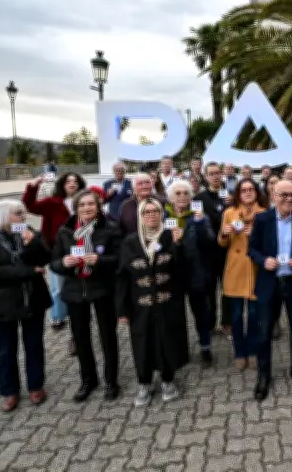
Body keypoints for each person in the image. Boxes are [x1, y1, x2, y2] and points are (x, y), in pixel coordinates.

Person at [0, 200, 51, 412]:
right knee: (6, 349)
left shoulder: (27, 233)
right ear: (4, 217)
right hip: (2, 304)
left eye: (23, 213)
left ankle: (36, 385)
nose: (23, 217)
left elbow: (45, 258)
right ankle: (10, 391)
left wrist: (33, 243)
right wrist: (27, 271)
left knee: (34, 344)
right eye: (18, 213)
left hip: (32, 299)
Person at [116, 198, 190, 406]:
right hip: (140, 304)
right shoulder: (130, 241)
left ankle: (167, 379)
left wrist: (178, 245)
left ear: (161, 214)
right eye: (146, 212)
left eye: (155, 211)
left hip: (167, 302)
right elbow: (122, 277)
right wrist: (122, 309)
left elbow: (182, 269)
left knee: (166, 339)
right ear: (140, 216)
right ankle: (144, 382)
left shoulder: (169, 237)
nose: (151, 215)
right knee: (142, 341)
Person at [50, 189, 121, 402]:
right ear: (76, 208)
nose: (87, 208)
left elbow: (119, 258)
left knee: (107, 336)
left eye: (91, 204)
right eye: (82, 205)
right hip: (75, 290)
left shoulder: (109, 228)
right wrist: (63, 263)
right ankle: (88, 380)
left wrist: (100, 260)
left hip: (101, 288)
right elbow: (54, 262)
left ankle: (111, 380)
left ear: (98, 207)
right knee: (81, 338)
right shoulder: (65, 231)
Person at [248, 180, 292, 401]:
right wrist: (263, 260)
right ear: (274, 196)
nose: (288, 199)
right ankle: (264, 374)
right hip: (270, 283)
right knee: (264, 331)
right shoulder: (262, 219)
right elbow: (252, 249)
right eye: (283, 195)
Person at [23, 172, 86, 356]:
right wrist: (32, 187)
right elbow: (29, 205)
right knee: (58, 288)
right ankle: (58, 316)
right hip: (56, 253)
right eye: (68, 181)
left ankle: (76, 333)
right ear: (62, 184)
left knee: (77, 290)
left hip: (80, 250)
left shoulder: (84, 200)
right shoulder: (53, 202)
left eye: (76, 181)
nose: (72, 183)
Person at [165, 180, 215, 368]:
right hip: (172, 274)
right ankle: (179, 351)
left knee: (201, 312)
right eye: (177, 193)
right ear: (170, 198)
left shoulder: (199, 217)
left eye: (186, 193)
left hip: (196, 272)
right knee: (175, 315)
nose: (182, 197)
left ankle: (205, 347)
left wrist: (201, 222)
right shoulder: (164, 216)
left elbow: (210, 241)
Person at [218, 178, 266, 370]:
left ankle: (253, 350)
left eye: (251, 189)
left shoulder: (264, 214)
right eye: (243, 189)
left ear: (256, 192)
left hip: (256, 270)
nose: (247, 192)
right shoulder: (229, 213)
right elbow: (222, 243)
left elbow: (269, 242)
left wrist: (254, 233)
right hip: (236, 269)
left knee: (254, 315)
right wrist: (223, 233)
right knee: (236, 316)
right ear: (238, 193)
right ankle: (239, 352)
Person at [194, 162, 233, 337]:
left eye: (218, 173)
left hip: (227, 250)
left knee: (228, 289)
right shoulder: (198, 198)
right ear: (206, 176)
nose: (216, 176)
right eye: (212, 173)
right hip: (207, 252)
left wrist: (234, 204)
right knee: (209, 290)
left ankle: (227, 323)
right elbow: (195, 223)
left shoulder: (230, 197)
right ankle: (210, 324)